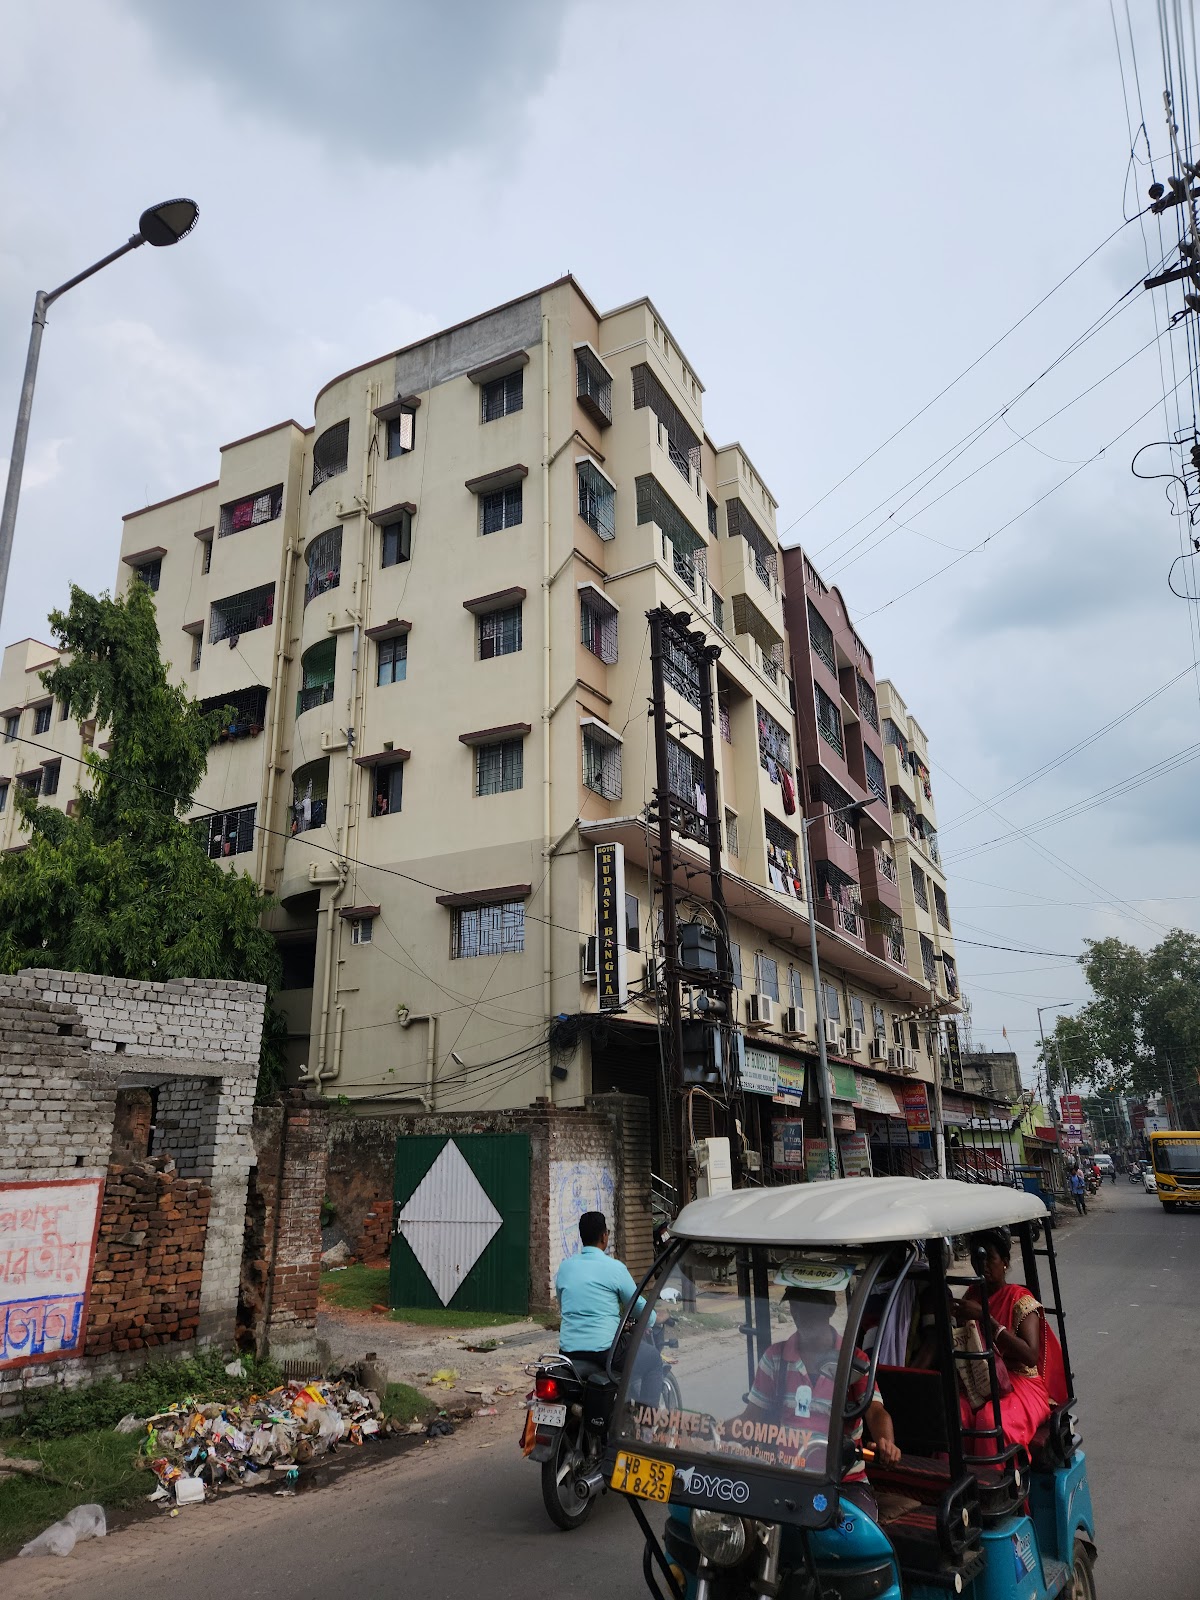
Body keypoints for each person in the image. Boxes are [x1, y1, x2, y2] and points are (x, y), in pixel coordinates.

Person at [729, 1287, 900, 1521]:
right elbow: (751, 1418)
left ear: (830, 1309)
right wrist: (707, 1431)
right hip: (787, 1476)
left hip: (844, 1481)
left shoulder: (854, 1360)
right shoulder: (775, 1357)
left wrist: (885, 1442)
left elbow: (876, 1412)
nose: (801, 1314)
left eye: (811, 1307)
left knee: (851, 1533)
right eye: (796, 1306)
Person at [953, 1229, 1067, 1456]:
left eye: (989, 1258)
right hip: (982, 1379)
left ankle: (995, 1477)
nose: (982, 1265)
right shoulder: (971, 1296)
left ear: (1004, 1261)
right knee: (955, 1413)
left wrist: (987, 1319)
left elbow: (1030, 1355)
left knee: (989, 1420)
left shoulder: (1020, 1299)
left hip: (1020, 1382)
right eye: (977, 1258)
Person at [555, 1211, 662, 1400]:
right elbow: (636, 1305)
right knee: (653, 1360)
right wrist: (653, 1318)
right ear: (604, 1236)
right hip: (604, 1352)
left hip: (568, 1352)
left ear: (581, 1236)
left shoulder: (565, 1268)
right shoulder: (615, 1268)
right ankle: (646, 1419)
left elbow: (564, 1305)